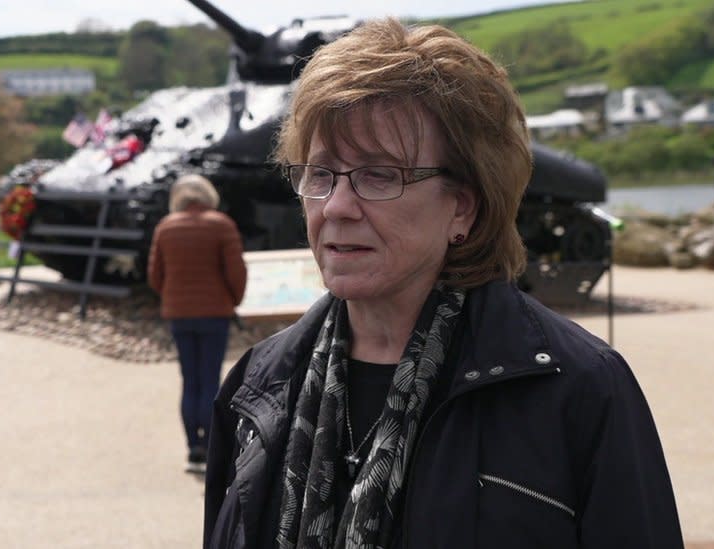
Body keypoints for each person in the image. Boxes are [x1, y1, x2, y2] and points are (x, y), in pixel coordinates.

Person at [203, 19, 683, 549]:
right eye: (320, 174)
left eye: (379, 175)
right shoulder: (256, 387)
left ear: (463, 205)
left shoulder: (582, 392)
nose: (335, 207)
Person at [148, 174, 248, 474]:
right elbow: (236, 273)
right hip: (214, 313)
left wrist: (172, 296)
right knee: (211, 379)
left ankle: (193, 447)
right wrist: (234, 300)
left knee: (189, 380)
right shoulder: (221, 225)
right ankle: (213, 446)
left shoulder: (166, 227)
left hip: (179, 315)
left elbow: (155, 276)